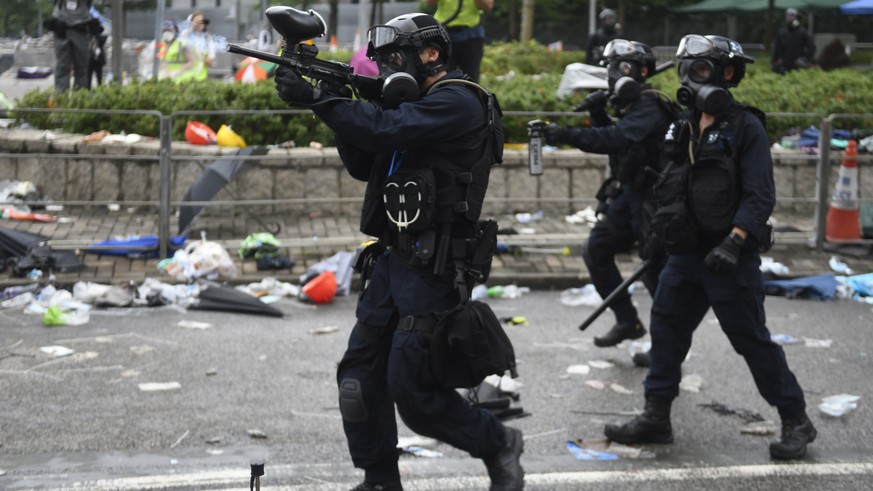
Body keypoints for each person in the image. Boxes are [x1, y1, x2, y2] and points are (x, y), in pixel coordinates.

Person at [274, 11, 523, 491]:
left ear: (431, 54)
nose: (386, 68)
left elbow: (387, 130)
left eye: (395, 57)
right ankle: (380, 480)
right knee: (358, 379)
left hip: (435, 266)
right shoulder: (406, 105)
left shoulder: (461, 101)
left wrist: (323, 99)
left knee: (415, 392)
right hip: (391, 260)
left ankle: (498, 442)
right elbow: (366, 157)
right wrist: (333, 101)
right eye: (381, 60)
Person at [604, 34, 817, 461]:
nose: (697, 79)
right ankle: (656, 417)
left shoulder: (745, 127)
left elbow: (760, 196)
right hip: (683, 254)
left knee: (751, 340)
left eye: (706, 70)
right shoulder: (681, 125)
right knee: (665, 332)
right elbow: (667, 183)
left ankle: (796, 420)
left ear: (728, 76)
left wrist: (735, 243)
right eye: (692, 69)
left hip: (728, 257)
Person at [543, 39, 674, 356]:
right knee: (596, 248)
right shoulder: (631, 106)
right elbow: (623, 151)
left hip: (654, 200)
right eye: (612, 67)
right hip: (630, 195)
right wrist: (600, 113)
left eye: (623, 67)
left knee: (655, 272)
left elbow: (617, 138)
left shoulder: (651, 105)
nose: (615, 74)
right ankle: (627, 321)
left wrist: (566, 135)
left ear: (642, 71)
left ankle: (668, 350)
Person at [426, 0, 493, 82]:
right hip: (443, 34)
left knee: (471, 78)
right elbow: (429, 3)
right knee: (441, 77)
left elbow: (488, 6)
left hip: (471, 35)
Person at [47, 0, 98, 91]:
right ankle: (62, 99)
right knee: (62, 67)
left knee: (81, 68)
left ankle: (79, 99)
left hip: (81, 26)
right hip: (61, 26)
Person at [771, 8, 815, 74]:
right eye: (787, 15)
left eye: (792, 15)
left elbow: (811, 48)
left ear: (796, 17)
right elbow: (776, 49)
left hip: (798, 65)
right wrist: (775, 61)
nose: (789, 17)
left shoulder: (803, 32)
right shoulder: (781, 32)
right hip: (784, 65)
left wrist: (804, 59)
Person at [180, 11, 216, 81]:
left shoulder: (208, 39)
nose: (199, 24)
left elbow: (211, 62)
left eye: (201, 21)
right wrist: (191, 26)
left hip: (201, 79)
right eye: (196, 21)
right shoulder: (186, 35)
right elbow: (180, 40)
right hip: (184, 78)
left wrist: (199, 57)